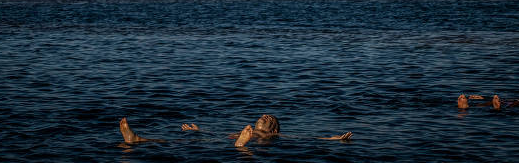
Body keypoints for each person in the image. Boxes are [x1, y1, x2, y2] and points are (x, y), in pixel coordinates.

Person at [120, 114, 352, 148]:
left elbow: (305, 138)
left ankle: (242, 147)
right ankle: (138, 139)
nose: (264, 117)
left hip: (251, 143)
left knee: (243, 141)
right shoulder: (249, 130)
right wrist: (200, 131)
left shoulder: (273, 136)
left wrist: (332, 138)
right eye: (262, 116)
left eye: (268, 118)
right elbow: (215, 137)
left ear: (273, 128)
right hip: (225, 140)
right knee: (174, 142)